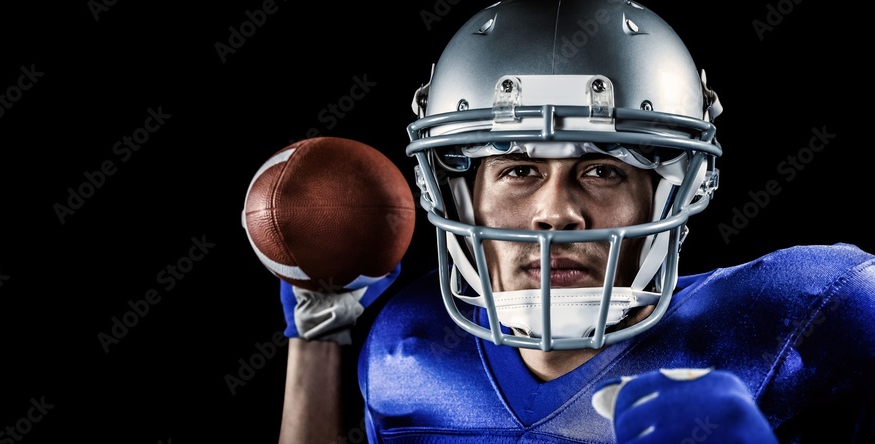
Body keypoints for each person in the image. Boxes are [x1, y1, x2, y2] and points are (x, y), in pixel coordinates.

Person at [270, 0, 875, 442]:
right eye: (518, 170)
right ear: (457, 193)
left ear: (671, 190)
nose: (556, 212)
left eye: (602, 170)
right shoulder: (411, 344)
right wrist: (317, 345)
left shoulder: (808, 319)